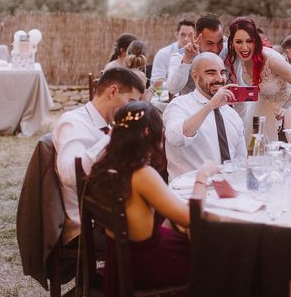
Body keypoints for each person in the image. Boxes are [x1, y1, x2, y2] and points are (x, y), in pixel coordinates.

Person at [88, 101, 218, 295]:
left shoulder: (106, 165)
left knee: (186, 232)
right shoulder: (141, 173)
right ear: (149, 132)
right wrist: (202, 178)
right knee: (217, 257)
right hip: (145, 266)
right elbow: (192, 218)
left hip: (121, 259)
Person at [53, 67, 144, 245]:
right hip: (88, 225)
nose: (132, 110)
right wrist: (110, 139)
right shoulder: (73, 122)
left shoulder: (107, 125)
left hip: (110, 211)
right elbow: (69, 174)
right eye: (130, 101)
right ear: (113, 91)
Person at [163, 52, 247, 181]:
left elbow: (240, 159)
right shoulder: (179, 105)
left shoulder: (232, 114)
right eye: (211, 73)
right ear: (195, 76)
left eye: (222, 72)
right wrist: (210, 106)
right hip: (187, 193)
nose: (219, 79)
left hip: (226, 193)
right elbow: (176, 137)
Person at [225, 17, 291, 142]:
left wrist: (286, 108)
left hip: (283, 112)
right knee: (254, 152)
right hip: (259, 111)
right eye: (238, 42)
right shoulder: (238, 60)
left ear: (255, 41)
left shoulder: (271, 60)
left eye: (249, 41)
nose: (244, 47)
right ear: (232, 43)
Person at [166, 14, 226, 96]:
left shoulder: (226, 51)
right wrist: (186, 61)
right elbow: (172, 89)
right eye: (209, 43)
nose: (216, 49)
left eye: (220, 42)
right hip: (191, 108)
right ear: (196, 39)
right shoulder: (179, 56)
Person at [150, 19, 195, 88]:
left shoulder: (198, 54)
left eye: (189, 35)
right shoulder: (163, 54)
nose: (186, 39)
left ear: (194, 37)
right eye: (183, 35)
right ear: (177, 34)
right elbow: (156, 82)